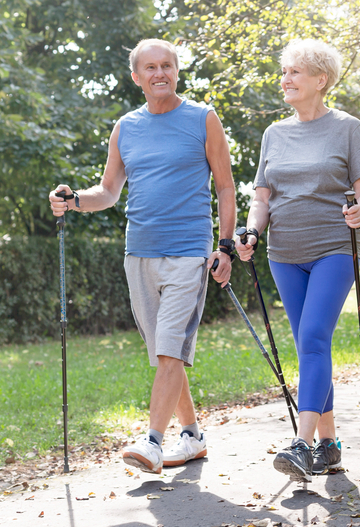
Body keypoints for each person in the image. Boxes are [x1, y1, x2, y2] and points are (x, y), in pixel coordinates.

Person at [48, 38, 236, 474]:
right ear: (137, 78)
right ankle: (192, 436)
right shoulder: (125, 128)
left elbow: (226, 186)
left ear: (177, 72)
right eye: (150, 67)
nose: (159, 73)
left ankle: (153, 442)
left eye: (166, 65)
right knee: (164, 350)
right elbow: (108, 192)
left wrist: (223, 246)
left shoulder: (203, 119)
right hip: (140, 255)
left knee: (170, 349)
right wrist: (74, 200)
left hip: (189, 252)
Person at [236, 38, 360, 481]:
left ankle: (301, 443)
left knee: (314, 336)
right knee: (308, 347)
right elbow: (262, 199)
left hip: (334, 247)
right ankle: (329, 443)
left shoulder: (346, 127)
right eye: (284, 72)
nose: (286, 79)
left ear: (321, 79)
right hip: (284, 253)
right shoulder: (273, 134)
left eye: (295, 71)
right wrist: (251, 230)